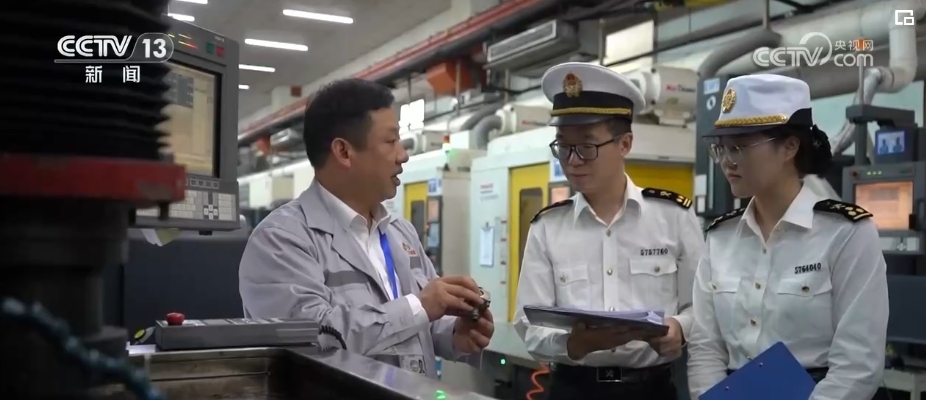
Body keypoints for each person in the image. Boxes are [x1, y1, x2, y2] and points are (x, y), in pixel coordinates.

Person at [238, 78, 494, 378]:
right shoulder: (281, 240)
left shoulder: (400, 232)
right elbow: (312, 340)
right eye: (390, 141)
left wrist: (454, 334)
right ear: (344, 152)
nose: (403, 154)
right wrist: (420, 306)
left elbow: (418, 323)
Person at [687, 74, 888, 400]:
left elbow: (858, 364)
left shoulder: (846, 235)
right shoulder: (720, 239)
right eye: (721, 148)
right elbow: (705, 347)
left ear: (790, 147)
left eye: (739, 147)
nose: (726, 161)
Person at [512, 62, 703, 400]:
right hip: (573, 390)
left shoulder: (673, 217)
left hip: (652, 391)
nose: (573, 161)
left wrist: (680, 328)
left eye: (587, 147)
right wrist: (576, 343)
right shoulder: (547, 228)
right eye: (563, 147)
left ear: (624, 143)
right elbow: (528, 325)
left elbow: (702, 306)